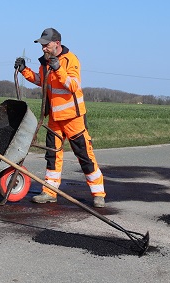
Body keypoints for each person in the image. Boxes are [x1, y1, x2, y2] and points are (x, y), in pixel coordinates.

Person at [15, 28, 106, 208]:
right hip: (54, 119)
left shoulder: (70, 60)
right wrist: (24, 70)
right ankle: (49, 192)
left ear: (57, 43)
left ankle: (98, 194)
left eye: (46, 45)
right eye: (41, 45)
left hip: (73, 118)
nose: (43, 48)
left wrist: (58, 69)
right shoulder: (45, 62)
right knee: (52, 156)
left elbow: (73, 85)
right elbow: (41, 81)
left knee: (84, 155)